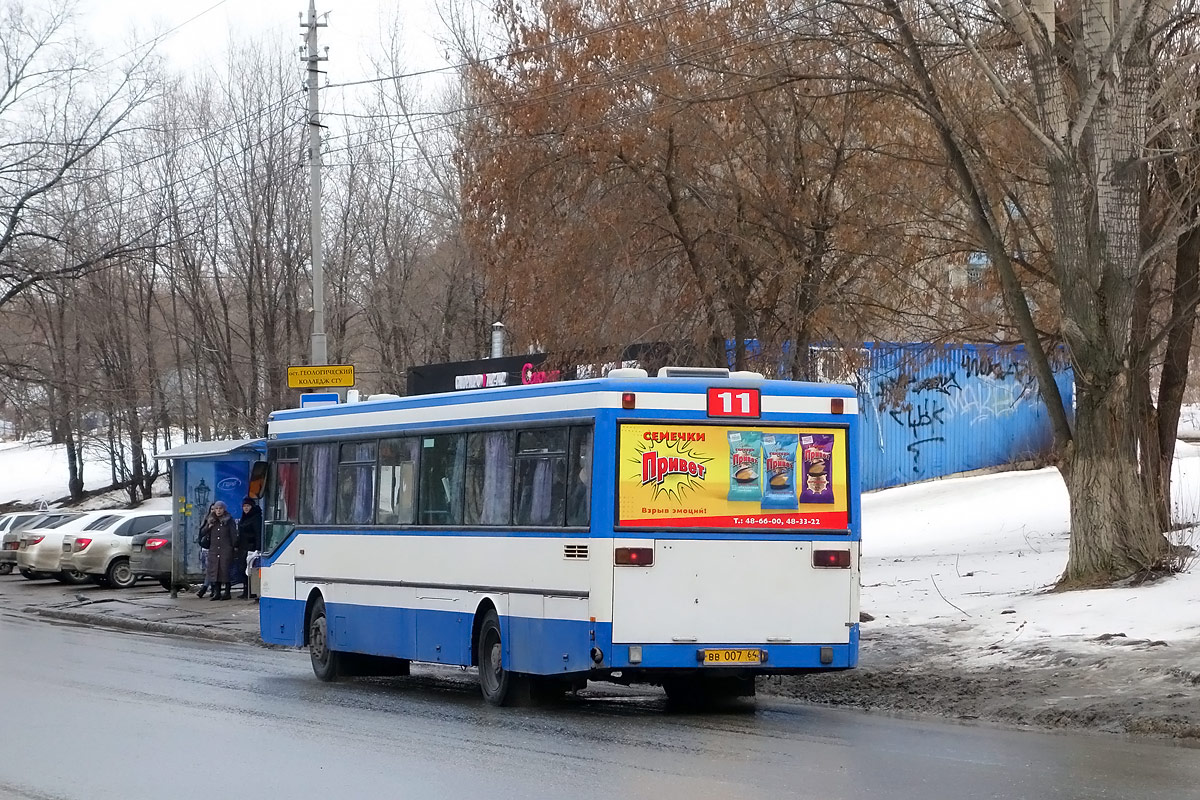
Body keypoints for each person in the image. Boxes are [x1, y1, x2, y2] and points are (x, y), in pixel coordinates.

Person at [205, 501, 238, 601]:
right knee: (215, 571)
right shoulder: (211, 520)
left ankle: (227, 592)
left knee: (225, 571)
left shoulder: (229, 520)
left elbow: (233, 535)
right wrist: (208, 527)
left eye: (220, 508)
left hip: (226, 549)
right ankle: (217, 592)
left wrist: (234, 547)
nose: (218, 511)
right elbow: (202, 532)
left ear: (224, 509)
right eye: (216, 508)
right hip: (214, 550)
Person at [236, 496, 263, 599]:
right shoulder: (244, 517)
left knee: (251, 570)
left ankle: (252, 591)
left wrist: (258, 548)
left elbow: (258, 533)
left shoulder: (256, 518)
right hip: (243, 547)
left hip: (251, 548)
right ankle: (245, 590)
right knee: (242, 569)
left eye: (248, 506)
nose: (246, 508)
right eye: (244, 506)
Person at [195, 504, 216, 598]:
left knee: (211, 570)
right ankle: (212, 587)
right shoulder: (207, 519)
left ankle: (205, 588)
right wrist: (208, 527)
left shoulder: (219, 521)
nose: (213, 511)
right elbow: (201, 532)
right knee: (207, 570)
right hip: (206, 548)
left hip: (214, 548)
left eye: (215, 509)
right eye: (211, 509)